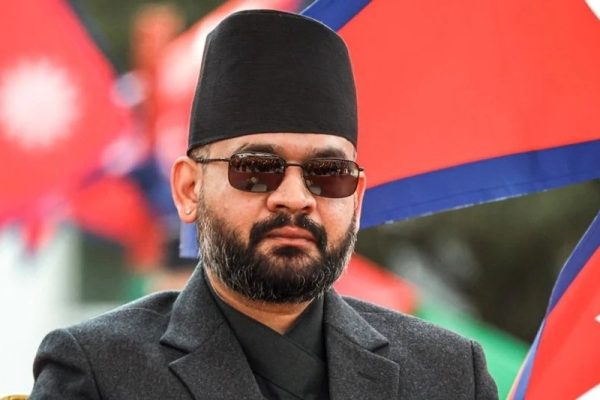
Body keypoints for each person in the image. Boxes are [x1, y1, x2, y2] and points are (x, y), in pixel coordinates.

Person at [30, 10, 498, 400]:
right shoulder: (99, 372)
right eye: (256, 169)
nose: (294, 198)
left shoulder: (449, 374)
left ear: (356, 197)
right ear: (190, 189)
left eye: (328, 174)